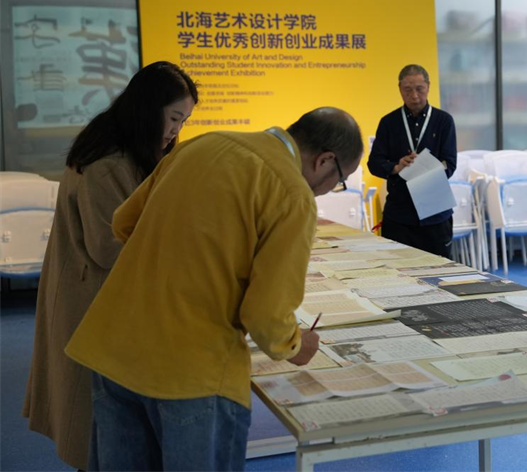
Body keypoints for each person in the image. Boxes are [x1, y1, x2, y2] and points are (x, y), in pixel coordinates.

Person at [65, 107, 363, 472]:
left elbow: (123, 223)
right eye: (340, 181)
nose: (331, 189)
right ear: (325, 161)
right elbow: (265, 317)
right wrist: (296, 346)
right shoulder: (292, 192)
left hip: (114, 346)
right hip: (192, 370)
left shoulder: (202, 145)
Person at [23, 61, 198, 471]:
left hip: (99, 295)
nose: (176, 130)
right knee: (96, 428)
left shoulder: (123, 144)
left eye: (184, 121)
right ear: (148, 108)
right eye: (174, 118)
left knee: (105, 431)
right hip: (94, 299)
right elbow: (109, 247)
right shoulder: (108, 162)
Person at [368, 64, 457, 257]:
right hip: (399, 213)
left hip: (436, 212)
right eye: (407, 90)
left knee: (440, 269)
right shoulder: (388, 122)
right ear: (399, 89)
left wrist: (426, 170)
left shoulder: (444, 121)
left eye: (419, 89)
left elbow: (450, 164)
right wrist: (396, 167)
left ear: (428, 87)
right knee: (398, 268)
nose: (414, 96)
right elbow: (374, 163)